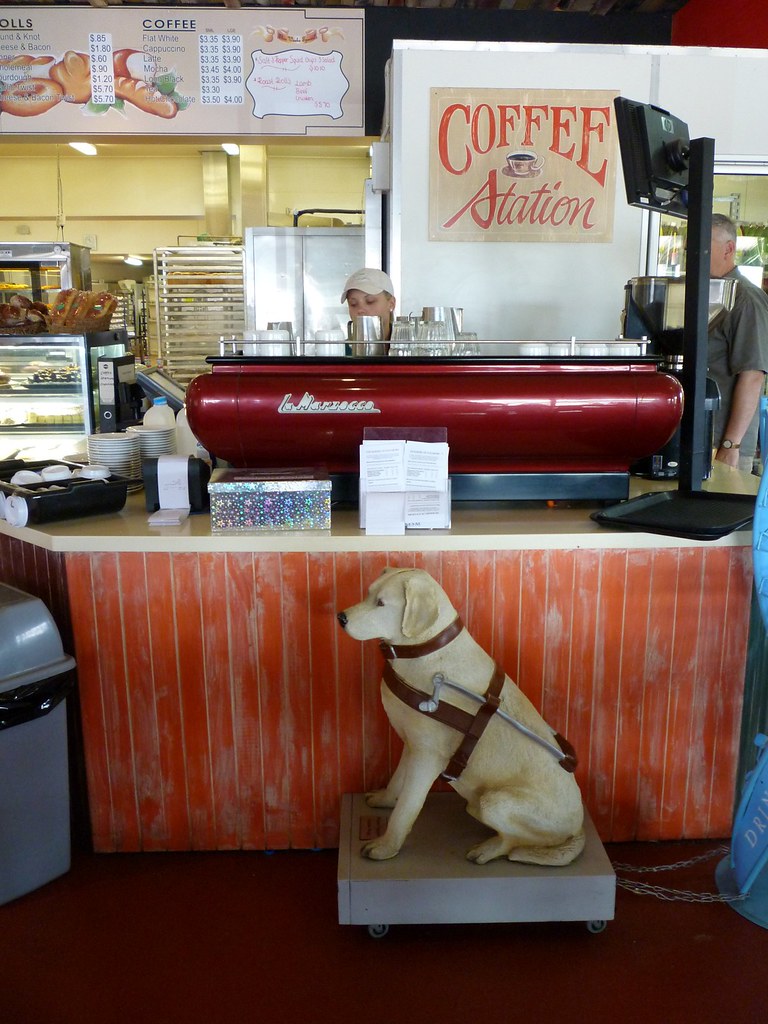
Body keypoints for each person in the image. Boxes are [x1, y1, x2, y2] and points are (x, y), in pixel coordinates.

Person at [708, 213, 768, 472]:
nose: (692, 253)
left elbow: (753, 375)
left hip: (723, 446)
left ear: (729, 249)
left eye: (704, 245)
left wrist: (730, 446)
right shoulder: (707, 293)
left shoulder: (746, 300)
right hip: (699, 440)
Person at [340, 268, 396, 341]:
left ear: (391, 304)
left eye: (370, 301)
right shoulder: (341, 350)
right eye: (353, 304)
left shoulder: (408, 348)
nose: (360, 310)